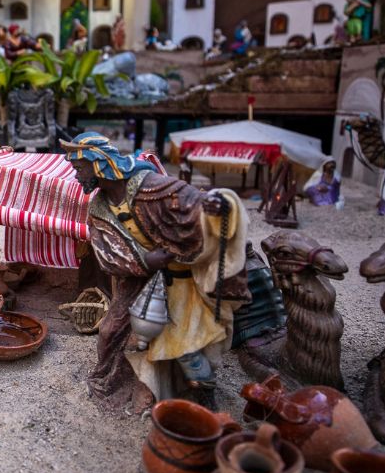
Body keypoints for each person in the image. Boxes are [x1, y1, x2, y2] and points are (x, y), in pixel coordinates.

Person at [62, 132, 248, 412]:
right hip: (138, 277)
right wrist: (146, 260)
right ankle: (115, 382)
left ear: (97, 163)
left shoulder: (151, 185)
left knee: (185, 343)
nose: (76, 176)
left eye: (78, 168)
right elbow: (106, 252)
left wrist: (216, 206)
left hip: (180, 277)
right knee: (110, 330)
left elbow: (196, 205)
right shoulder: (100, 207)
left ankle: (197, 400)